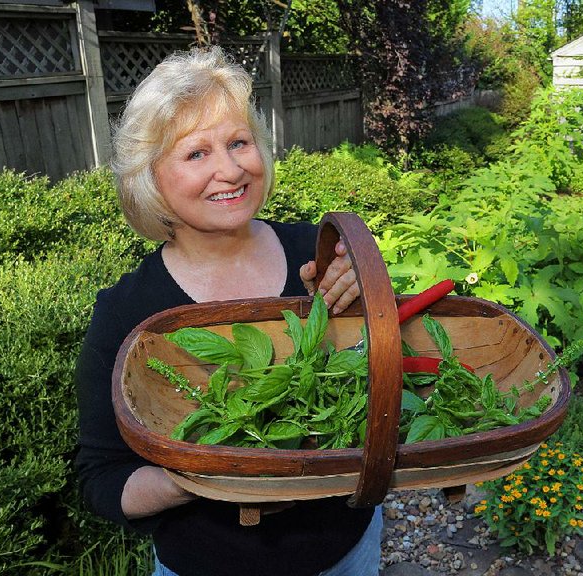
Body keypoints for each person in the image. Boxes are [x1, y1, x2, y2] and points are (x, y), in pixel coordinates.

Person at [74, 46, 382, 576]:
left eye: (239, 142)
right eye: (196, 154)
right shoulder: (128, 310)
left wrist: (362, 305)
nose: (231, 168)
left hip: (347, 551)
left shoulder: (315, 252)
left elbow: (381, 383)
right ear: (150, 178)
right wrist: (204, 474)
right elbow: (101, 480)